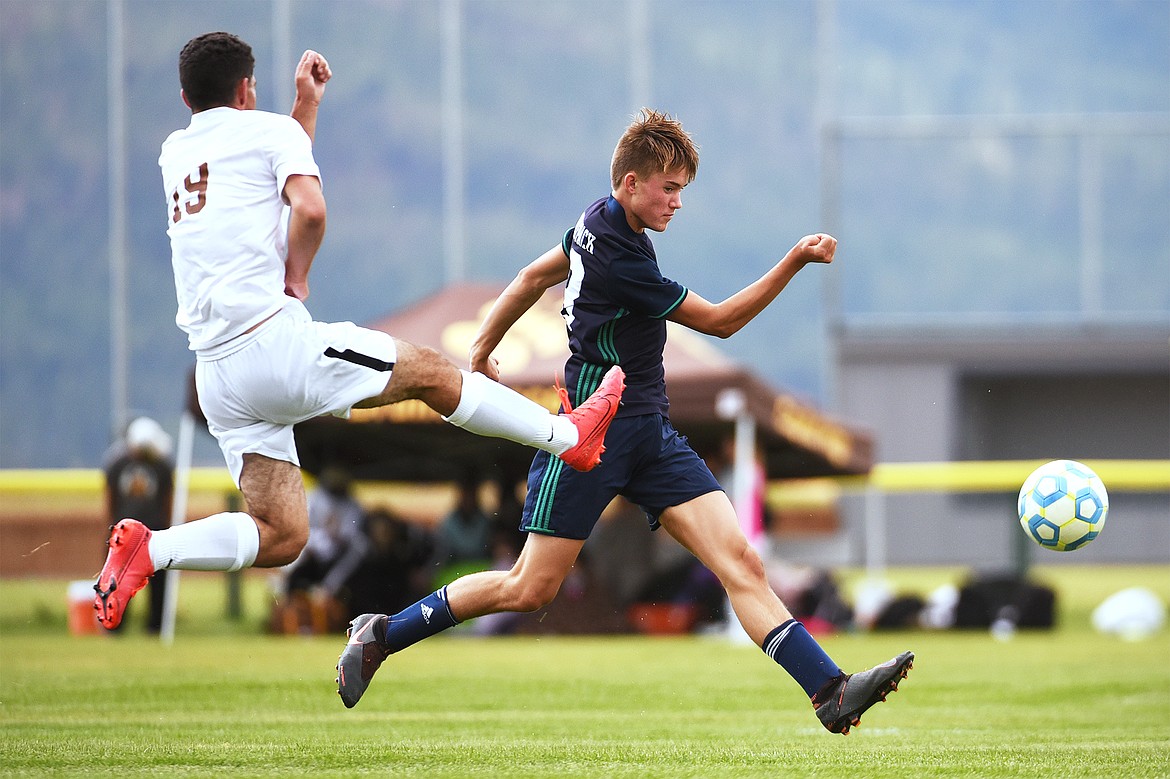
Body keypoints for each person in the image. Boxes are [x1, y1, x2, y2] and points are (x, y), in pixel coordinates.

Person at [336, 109, 913, 734]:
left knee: (741, 562)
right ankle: (383, 633)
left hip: (649, 433)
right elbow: (720, 322)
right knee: (529, 589)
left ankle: (829, 690)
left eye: (682, 190)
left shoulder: (597, 221)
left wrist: (481, 349)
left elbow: (533, 276)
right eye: (669, 188)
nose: (677, 202)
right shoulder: (622, 260)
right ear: (631, 183)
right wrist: (794, 260)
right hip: (590, 432)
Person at [93, 31, 625, 633]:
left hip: (218, 375)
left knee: (283, 533)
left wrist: (306, 109)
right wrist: (296, 274)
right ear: (247, 88)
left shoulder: (176, 151)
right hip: (272, 346)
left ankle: (152, 550)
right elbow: (309, 208)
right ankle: (565, 436)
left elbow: (264, 173)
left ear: (186, 98)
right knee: (431, 371)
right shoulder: (270, 132)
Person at [102, 417, 174, 633]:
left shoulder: (118, 464)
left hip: (139, 534)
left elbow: (110, 502)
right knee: (119, 582)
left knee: (122, 581)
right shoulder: (160, 466)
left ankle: (127, 626)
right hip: (141, 534)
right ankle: (142, 626)